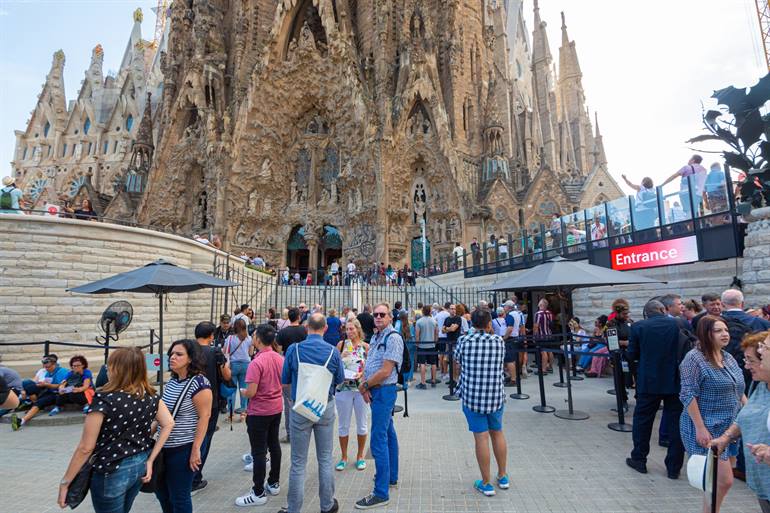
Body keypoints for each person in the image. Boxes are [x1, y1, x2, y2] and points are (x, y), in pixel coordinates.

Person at [57, 347, 175, 513]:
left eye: (109, 365)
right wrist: (150, 459)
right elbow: (169, 423)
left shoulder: (104, 398)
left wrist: (66, 482)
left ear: (116, 368)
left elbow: (86, 447)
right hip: (139, 463)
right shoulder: (151, 395)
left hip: (111, 469)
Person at [679, 315, 746, 513]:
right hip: (707, 427)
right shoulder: (694, 359)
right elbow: (688, 394)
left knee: (716, 482)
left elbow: (739, 389)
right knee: (722, 481)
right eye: (718, 331)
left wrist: (749, 412)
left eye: (725, 330)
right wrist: (700, 428)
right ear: (706, 334)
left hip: (729, 427)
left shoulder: (727, 356)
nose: (725, 334)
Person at [279, 313, 344, 513]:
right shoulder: (333, 352)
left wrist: (291, 400)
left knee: (298, 462)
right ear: (325, 328)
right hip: (324, 406)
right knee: (325, 459)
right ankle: (326, 505)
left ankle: (294, 509)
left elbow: (285, 380)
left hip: (300, 407)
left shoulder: (294, 349)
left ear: (307, 327)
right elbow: (340, 379)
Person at [625, 299, 685, 479]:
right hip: (675, 381)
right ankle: (674, 468)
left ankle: (639, 459)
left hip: (648, 381)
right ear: (662, 309)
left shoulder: (638, 327)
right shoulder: (679, 324)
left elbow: (632, 355)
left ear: (647, 313)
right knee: (676, 424)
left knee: (643, 421)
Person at [712, 331, 770, 513]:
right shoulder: (760, 385)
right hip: (761, 479)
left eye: (751, 360)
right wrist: (726, 438)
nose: (746, 366)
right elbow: (745, 415)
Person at [454, 309, 510, 496]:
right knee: (497, 432)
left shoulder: (464, 341)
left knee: (481, 437)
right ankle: (502, 475)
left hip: (473, 396)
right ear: (488, 324)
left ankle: (486, 482)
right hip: (495, 395)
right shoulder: (499, 342)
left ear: (472, 324)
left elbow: (457, 361)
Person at [354, 303, 403, 510]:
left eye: (383, 314)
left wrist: (365, 385)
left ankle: (381, 492)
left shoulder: (393, 338)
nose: (379, 317)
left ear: (390, 317)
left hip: (384, 391)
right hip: (375, 390)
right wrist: (365, 385)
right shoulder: (376, 336)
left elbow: (385, 371)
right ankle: (390, 476)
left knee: (378, 439)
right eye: (376, 314)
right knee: (388, 433)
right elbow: (371, 361)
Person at [155, 339, 212, 513]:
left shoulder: (199, 383)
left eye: (179, 354)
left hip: (183, 448)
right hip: (164, 447)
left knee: (179, 497)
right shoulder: (173, 381)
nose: (173, 357)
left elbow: (205, 417)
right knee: (162, 494)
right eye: (171, 354)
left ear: (190, 358)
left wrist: (196, 449)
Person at [235, 324, 284, 507]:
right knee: (274, 445)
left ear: (258, 340)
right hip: (275, 408)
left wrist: (243, 391)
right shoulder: (279, 358)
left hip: (259, 411)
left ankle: (258, 492)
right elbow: (284, 383)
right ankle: (274, 482)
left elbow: (252, 392)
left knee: (259, 452)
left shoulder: (256, 362)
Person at [191, 321, 231, 494]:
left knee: (190, 437)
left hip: (189, 400)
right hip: (210, 401)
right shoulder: (215, 351)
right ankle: (195, 478)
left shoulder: (188, 350)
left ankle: (187, 475)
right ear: (211, 336)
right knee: (204, 440)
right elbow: (226, 375)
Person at [335, 319, 370, 471]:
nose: (349, 332)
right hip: (343, 389)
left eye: (351, 329)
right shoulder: (340, 345)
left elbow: (371, 367)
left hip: (360, 389)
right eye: (347, 329)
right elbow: (334, 366)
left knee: (362, 424)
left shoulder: (366, 347)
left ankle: (360, 456)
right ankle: (343, 457)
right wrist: (341, 356)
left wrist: (362, 373)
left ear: (358, 329)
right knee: (343, 425)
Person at [12, 354, 69, 429]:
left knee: (40, 401)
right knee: (28, 386)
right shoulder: (48, 372)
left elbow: (60, 386)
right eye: (45, 367)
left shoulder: (62, 371)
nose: (47, 369)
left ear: (55, 364)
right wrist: (42, 384)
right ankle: (22, 419)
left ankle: (22, 419)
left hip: (58, 394)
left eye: (48, 367)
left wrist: (46, 384)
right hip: (49, 391)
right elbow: (48, 383)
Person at [276, 307, 307, 443]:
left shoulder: (283, 332)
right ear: (299, 317)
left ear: (288, 317)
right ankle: (303, 429)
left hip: (288, 367)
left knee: (288, 402)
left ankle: (290, 433)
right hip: (303, 368)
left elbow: (278, 350)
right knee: (303, 398)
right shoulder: (304, 331)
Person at [224, 318, 252, 414]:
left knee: (232, 389)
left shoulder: (230, 338)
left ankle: (230, 411)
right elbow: (251, 352)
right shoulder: (248, 338)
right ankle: (243, 409)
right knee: (243, 388)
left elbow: (225, 352)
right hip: (245, 365)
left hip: (233, 364)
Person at [414, 304, 439, 389]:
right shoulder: (434, 321)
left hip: (422, 344)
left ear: (423, 311)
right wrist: (435, 342)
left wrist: (417, 343)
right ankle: (433, 381)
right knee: (433, 363)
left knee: (422, 363)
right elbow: (436, 333)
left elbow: (417, 335)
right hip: (431, 344)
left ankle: (423, 382)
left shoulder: (419, 321)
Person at [533, 298, 554, 373]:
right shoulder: (549, 313)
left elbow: (536, 326)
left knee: (543, 351)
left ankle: (543, 369)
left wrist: (534, 335)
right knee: (550, 351)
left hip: (541, 335)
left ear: (541, 305)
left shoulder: (538, 314)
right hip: (549, 334)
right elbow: (551, 324)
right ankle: (550, 366)